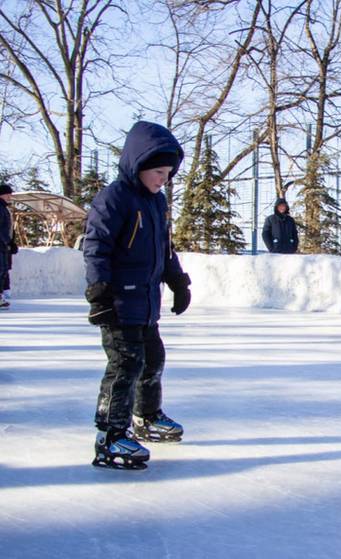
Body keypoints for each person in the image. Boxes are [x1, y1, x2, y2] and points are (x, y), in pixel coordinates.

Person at [84, 121, 192, 470]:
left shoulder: (157, 203)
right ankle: (111, 434)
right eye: (158, 171)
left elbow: (165, 249)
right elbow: (96, 247)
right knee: (124, 365)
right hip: (118, 303)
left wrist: (178, 282)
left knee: (153, 358)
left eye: (168, 173)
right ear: (139, 164)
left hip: (146, 303)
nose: (164, 178)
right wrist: (99, 294)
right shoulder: (114, 198)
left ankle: (146, 416)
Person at [0, 182, 13, 309]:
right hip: (1, 244)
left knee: (3, 270)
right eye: (8, 194)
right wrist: (8, 241)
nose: (10, 196)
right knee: (1, 270)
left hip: (2, 245)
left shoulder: (3, 208)